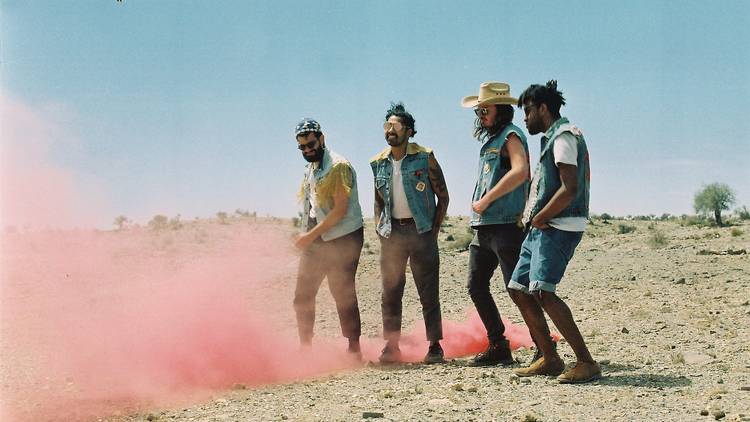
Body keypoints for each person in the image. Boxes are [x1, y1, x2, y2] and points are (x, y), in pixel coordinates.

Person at [508, 80, 601, 383]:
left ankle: (586, 362)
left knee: (542, 291)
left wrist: (542, 217)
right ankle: (549, 357)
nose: (525, 118)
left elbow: (569, 188)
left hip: (558, 225)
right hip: (542, 225)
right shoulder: (551, 138)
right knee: (518, 287)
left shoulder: (563, 137)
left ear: (543, 109)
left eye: (528, 111)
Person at [459, 82, 533, 366]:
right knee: (476, 285)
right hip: (483, 227)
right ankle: (498, 344)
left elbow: (520, 171)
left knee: (517, 289)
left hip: (504, 225)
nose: (481, 115)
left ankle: (543, 347)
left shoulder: (512, 136)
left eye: (485, 109)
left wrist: (487, 199)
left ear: (500, 110)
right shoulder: (491, 141)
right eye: (478, 110)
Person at [370, 102, 449, 364]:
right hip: (392, 233)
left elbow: (443, 196)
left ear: (410, 131)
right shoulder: (378, 163)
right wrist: (378, 227)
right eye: (387, 125)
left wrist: (434, 230)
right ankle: (391, 346)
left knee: (428, 290)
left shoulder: (425, 158)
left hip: (421, 232)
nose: (390, 130)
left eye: (395, 126)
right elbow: (378, 200)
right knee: (390, 291)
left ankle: (435, 346)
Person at [292, 118, 364, 358]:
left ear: (321, 139)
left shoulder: (338, 166)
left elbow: (340, 210)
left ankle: (354, 349)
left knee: (341, 290)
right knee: (303, 294)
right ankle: (306, 349)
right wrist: (307, 233)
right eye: (302, 147)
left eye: (311, 144)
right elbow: (313, 206)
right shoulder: (311, 168)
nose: (307, 150)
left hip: (344, 236)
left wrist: (309, 235)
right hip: (318, 237)